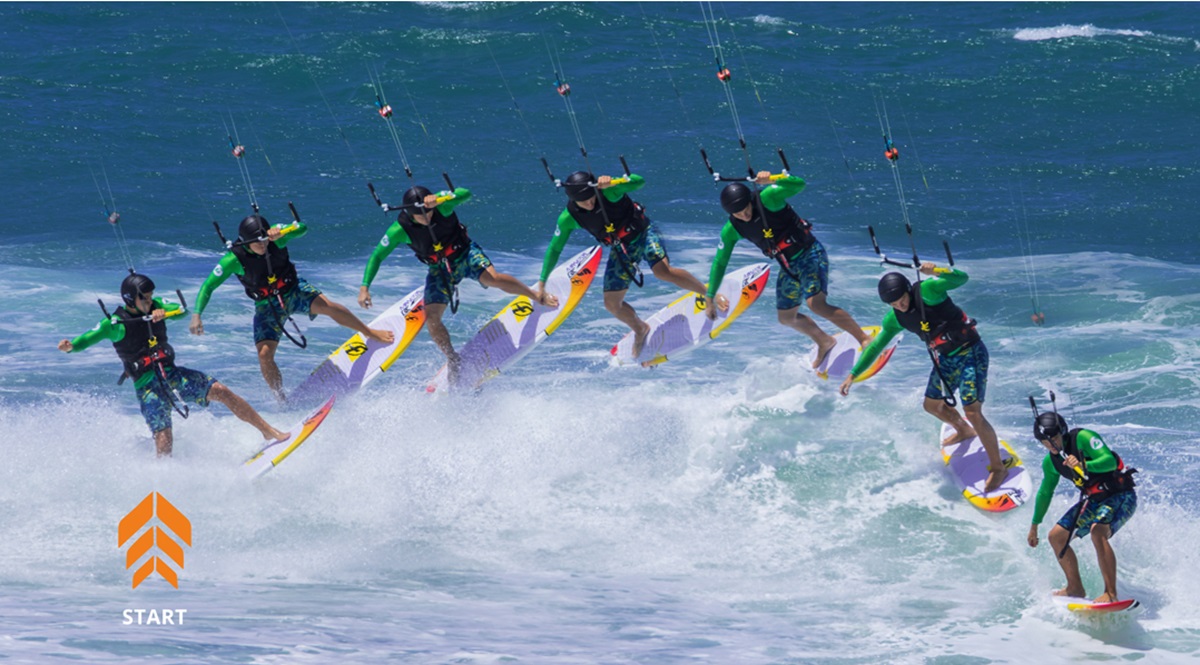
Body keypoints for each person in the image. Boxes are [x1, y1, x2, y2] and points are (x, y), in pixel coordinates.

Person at [58, 273, 287, 457]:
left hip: (174, 376)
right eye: (144, 299)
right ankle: (165, 483)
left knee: (222, 391)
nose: (150, 302)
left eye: (150, 297)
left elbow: (181, 311)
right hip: (149, 388)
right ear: (130, 300)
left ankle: (268, 432)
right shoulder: (114, 324)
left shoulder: (157, 305)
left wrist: (164, 313)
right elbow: (88, 338)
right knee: (164, 438)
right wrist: (72, 346)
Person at [357, 185, 557, 381]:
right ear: (410, 214)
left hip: (466, 254)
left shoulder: (442, 207)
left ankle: (536, 295)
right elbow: (377, 256)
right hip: (440, 270)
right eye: (420, 215)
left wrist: (441, 198)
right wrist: (365, 287)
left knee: (492, 278)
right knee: (432, 319)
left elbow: (466, 193)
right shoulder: (398, 230)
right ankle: (453, 359)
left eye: (429, 212)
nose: (426, 217)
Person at [838, 263, 1008, 492]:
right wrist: (853, 374)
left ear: (908, 289)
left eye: (902, 299)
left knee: (973, 412)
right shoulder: (894, 319)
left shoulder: (928, 291)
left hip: (971, 352)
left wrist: (938, 270)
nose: (900, 305)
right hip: (946, 359)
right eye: (894, 303)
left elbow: (962, 278)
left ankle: (998, 467)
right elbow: (877, 345)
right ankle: (963, 430)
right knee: (931, 405)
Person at [190, 214, 394, 402]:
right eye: (256, 242)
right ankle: (281, 398)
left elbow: (302, 227)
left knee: (329, 306)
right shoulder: (233, 260)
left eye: (264, 239)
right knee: (264, 355)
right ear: (244, 242)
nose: (262, 244)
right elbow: (208, 285)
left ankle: (369, 332)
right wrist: (197, 314)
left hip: (293, 290)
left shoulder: (276, 237)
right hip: (267, 306)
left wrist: (283, 231)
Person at [533, 171, 726, 358]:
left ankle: (708, 294)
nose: (590, 203)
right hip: (622, 247)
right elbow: (555, 249)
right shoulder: (568, 218)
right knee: (611, 304)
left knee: (663, 272)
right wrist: (542, 282)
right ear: (573, 199)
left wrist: (615, 182)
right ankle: (640, 329)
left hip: (643, 232)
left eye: (592, 197)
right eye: (584, 201)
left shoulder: (609, 192)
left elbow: (639, 181)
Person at [704, 171, 870, 368]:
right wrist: (709, 296)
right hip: (788, 266)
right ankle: (825, 341)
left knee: (816, 304)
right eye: (737, 213)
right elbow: (720, 262)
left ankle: (863, 339)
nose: (744, 215)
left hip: (810, 253)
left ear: (750, 199)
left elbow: (799, 184)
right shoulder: (731, 230)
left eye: (745, 208)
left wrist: (774, 178)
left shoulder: (767, 198)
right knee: (786, 317)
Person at [1026, 412, 1138, 603]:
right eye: (1044, 442)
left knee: (1097, 531)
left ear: (1063, 432)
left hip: (1121, 496)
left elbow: (1109, 461)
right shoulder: (1050, 462)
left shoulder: (1084, 438)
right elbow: (1045, 492)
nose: (1050, 445)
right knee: (1056, 536)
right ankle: (1075, 588)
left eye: (1053, 439)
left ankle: (1110, 594)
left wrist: (1083, 465)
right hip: (1095, 501)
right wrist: (1034, 525)